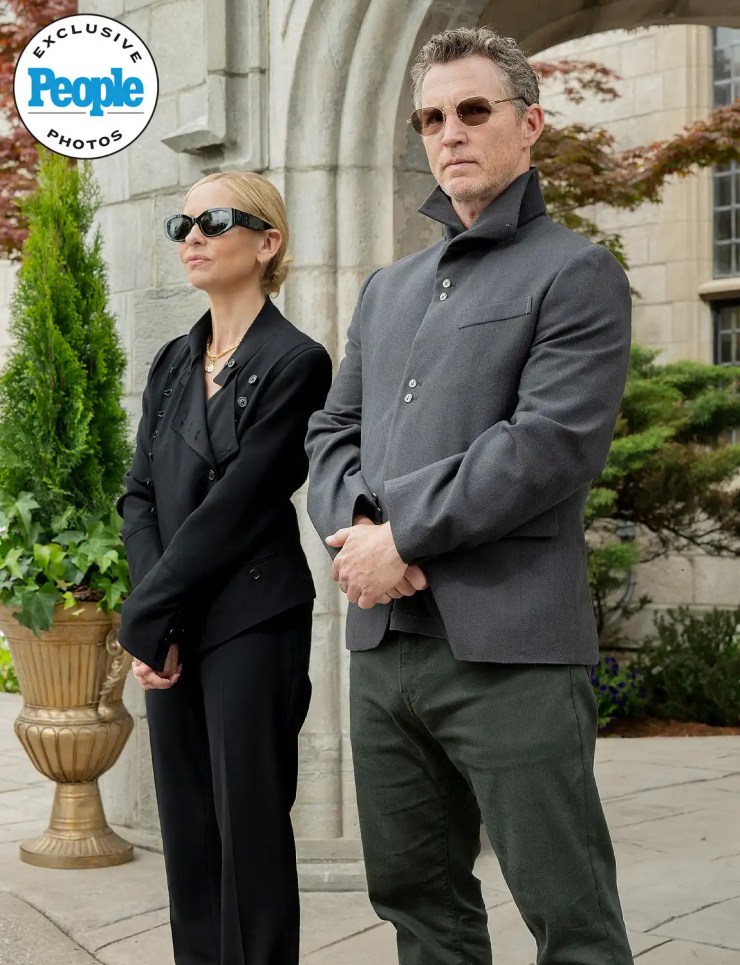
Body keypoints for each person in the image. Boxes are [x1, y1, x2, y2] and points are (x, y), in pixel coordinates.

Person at [305, 26, 634, 965]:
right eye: (431, 118)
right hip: (385, 649)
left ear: (529, 124)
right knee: (418, 908)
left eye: (473, 110)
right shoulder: (388, 288)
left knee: (570, 915)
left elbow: (547, 445)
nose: (449, 132)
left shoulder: (576, 271)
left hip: (512, 648)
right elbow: (332, 429)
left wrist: (403, 535)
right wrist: (357, 527)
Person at [116, 170, 332, 965]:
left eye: (214, 221)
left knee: (250, 834)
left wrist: (148, 615)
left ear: (267, 242)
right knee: (189, 834)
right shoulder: (174, 361)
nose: (193, 237)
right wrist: (159, 621)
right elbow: (139, 495)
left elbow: (237, 506)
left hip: (252, 617)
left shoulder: (298, 361)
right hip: (174, 624)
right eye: (183, 225)